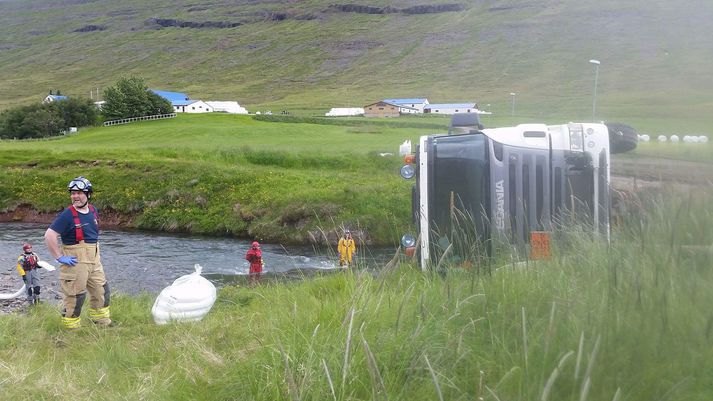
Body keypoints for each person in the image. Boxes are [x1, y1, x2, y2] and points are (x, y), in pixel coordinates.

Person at [44, 176, 112, 329]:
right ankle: (71, 330)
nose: (75, 196)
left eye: (79, 193)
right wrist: (59, 257)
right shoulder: (67, 215)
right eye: (73, 193)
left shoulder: (93, 210)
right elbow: (49, 235)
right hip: (75, 262)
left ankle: (101, 323)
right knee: (75, 296)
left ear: (88, 194)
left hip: (95, 260)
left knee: (101, 290)